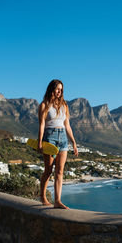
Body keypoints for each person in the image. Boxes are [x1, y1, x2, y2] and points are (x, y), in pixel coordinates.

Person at [38, 79, 78, 209]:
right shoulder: (44, 105)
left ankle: (58, 201)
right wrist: (39, 143)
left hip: (63, 139)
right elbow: (42, 125)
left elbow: (67, 126)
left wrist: (74, 143)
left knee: (60, 171)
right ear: (51, 89)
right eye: (57, 89)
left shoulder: (64, 105)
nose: (59, 92)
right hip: (49, 137)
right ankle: (43, 196)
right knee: (48, 170)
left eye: (61, 90)